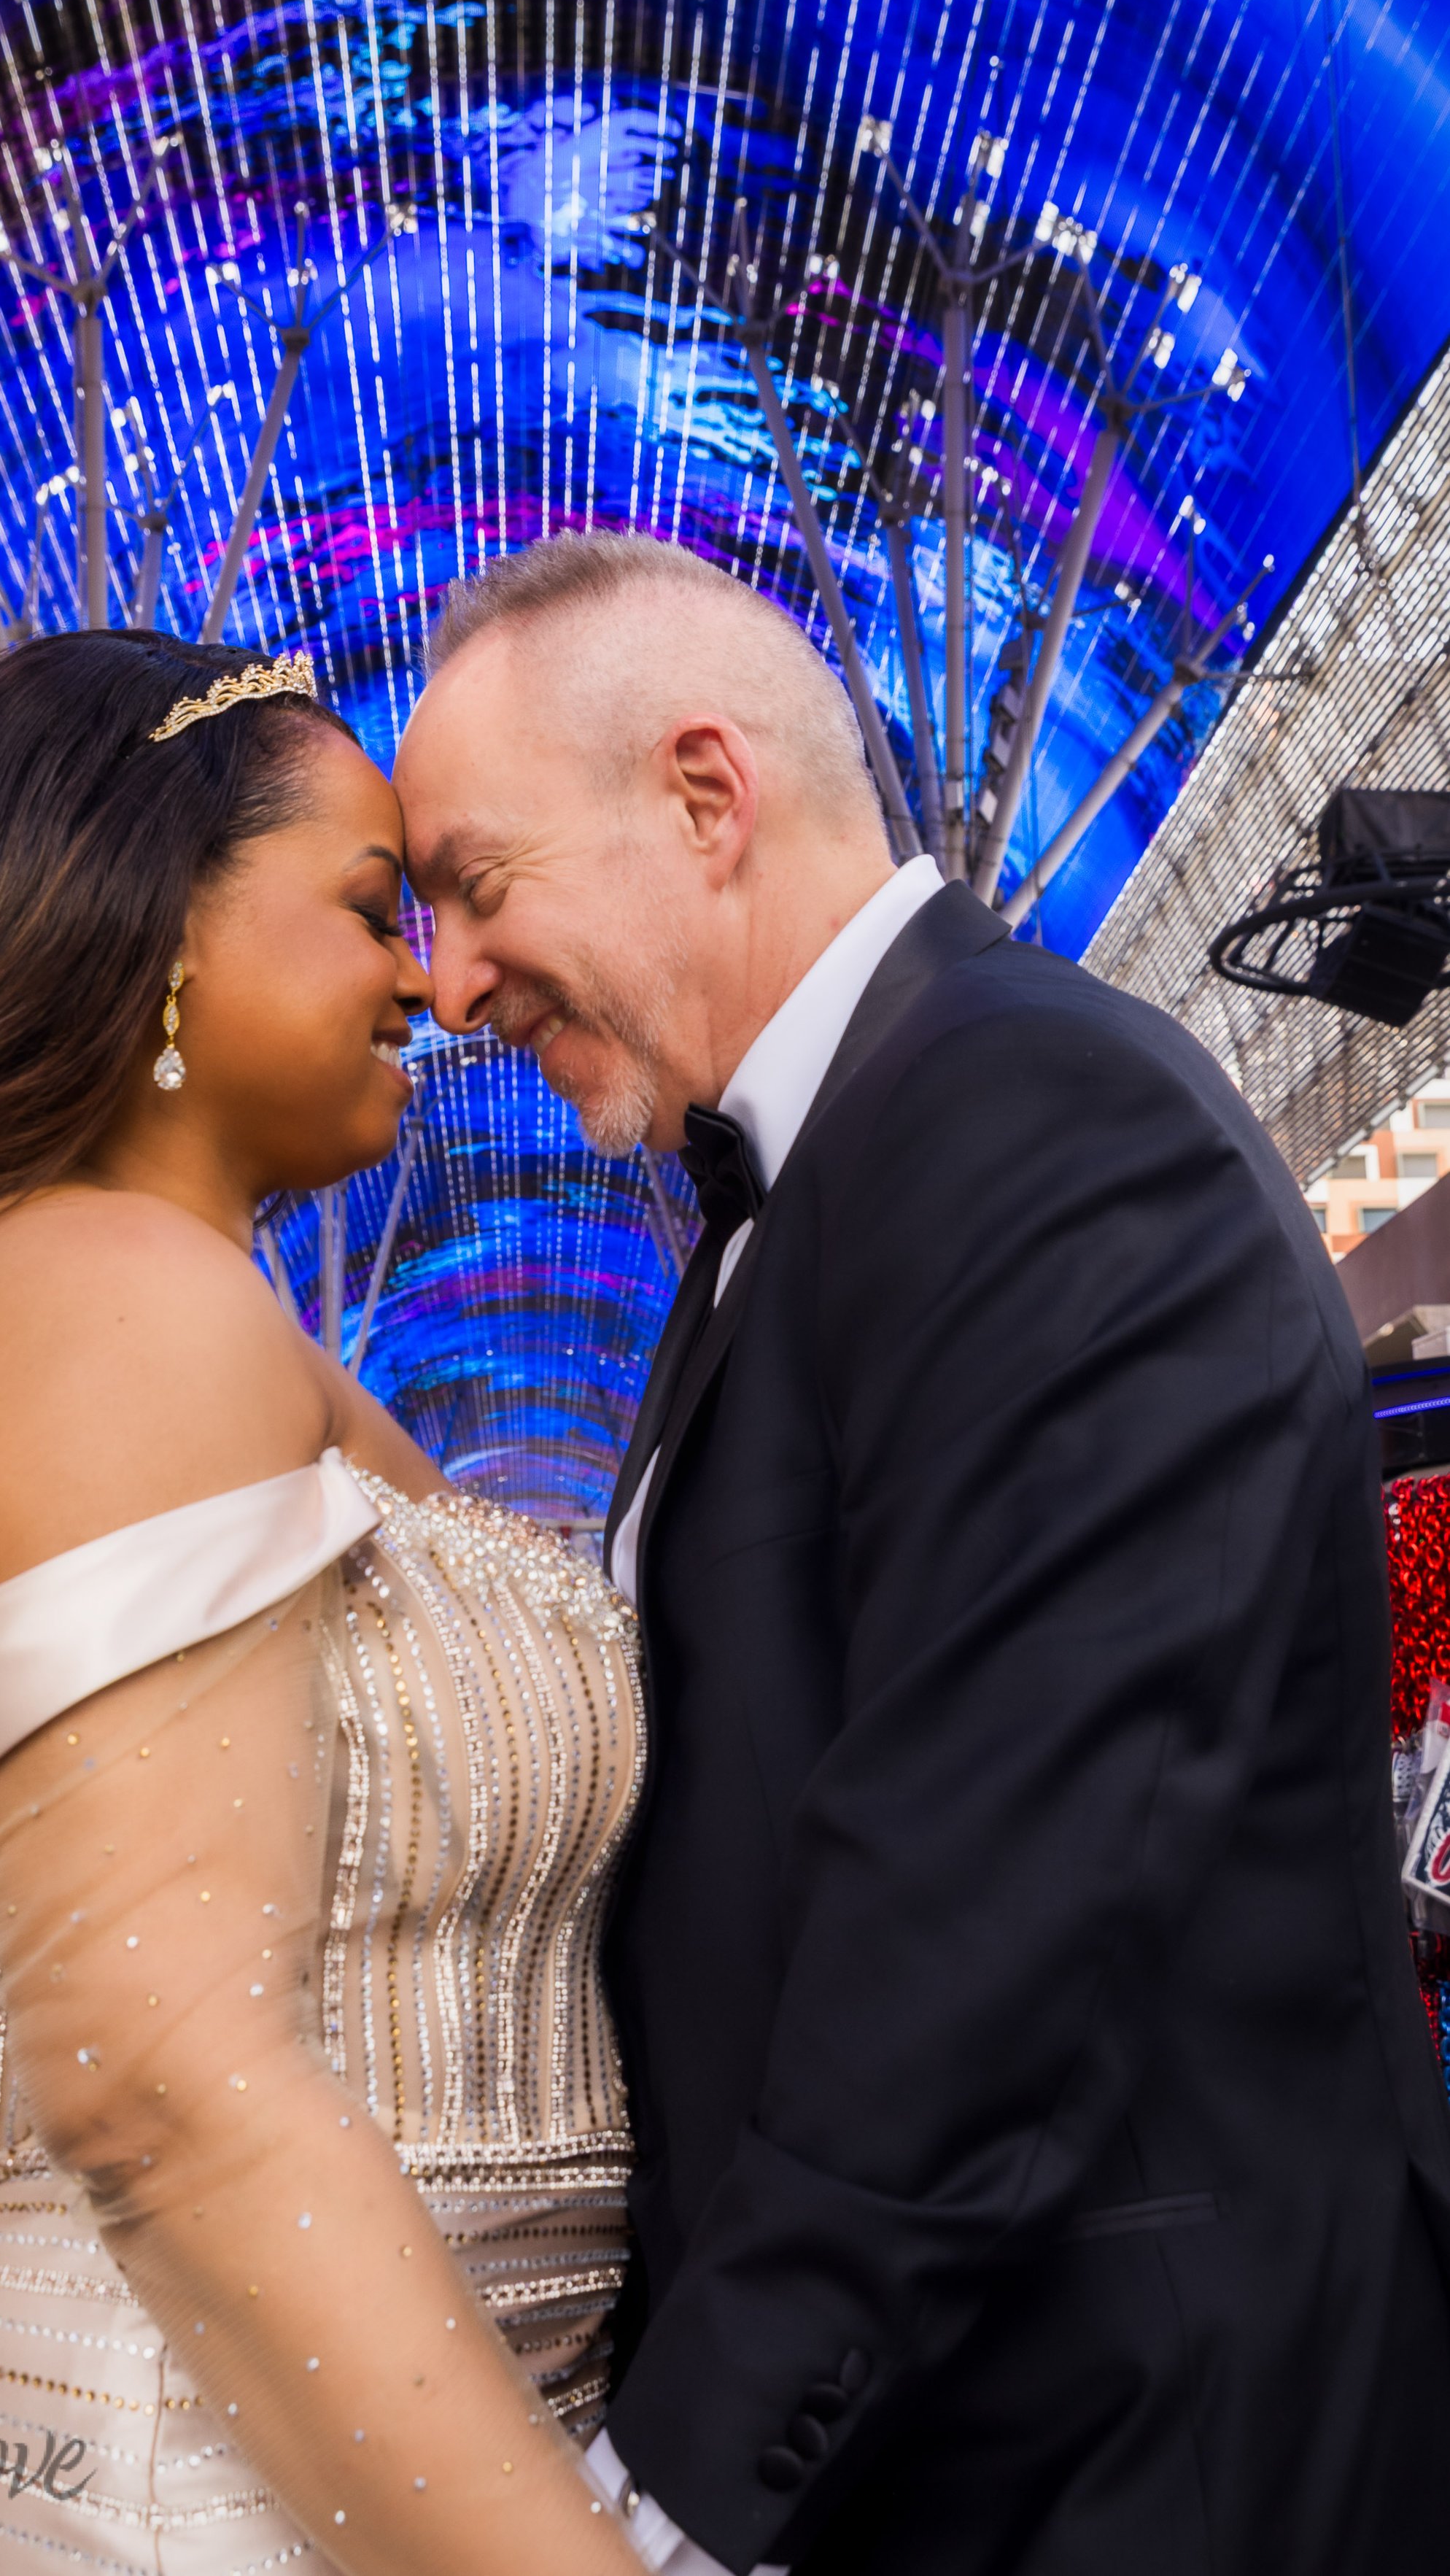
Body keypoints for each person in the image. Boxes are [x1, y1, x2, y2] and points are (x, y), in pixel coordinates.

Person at [394, 528, 1450, 2576]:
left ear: (707, 796)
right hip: (956, 2425)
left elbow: (989, 1884)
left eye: (473, 882)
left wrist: (681, 2483)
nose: (445, 982)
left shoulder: (1040, 1118)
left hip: (1125, 2445)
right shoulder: (812, 1193)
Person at [0, 630, 649, 2576]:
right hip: (217, 2484)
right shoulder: (103, 1306)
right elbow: (173, 2088)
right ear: (153, 917)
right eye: (371, 909)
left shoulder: (129, 1314)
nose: (428, 982)